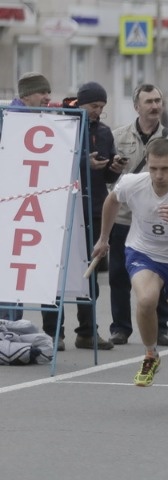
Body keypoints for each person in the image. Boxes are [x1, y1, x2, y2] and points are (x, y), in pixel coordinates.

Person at [93, 137, 168, 406]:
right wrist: (104, 238)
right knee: (146, 299)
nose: (158, 175)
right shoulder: (134, 183)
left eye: (165, 169)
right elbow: (112, 200)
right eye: (153, 168)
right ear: (146, 164)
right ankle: (150, 355)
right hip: (143, 253)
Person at [41, 81, 122, 351]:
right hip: (61, 209)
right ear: (80, 104)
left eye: (102, 107)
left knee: (89, 274)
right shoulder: (60, 126)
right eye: (94, 106)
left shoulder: (104, 132)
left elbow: (108, 175)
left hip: (94, 208)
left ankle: (87, 331)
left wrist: (113, 167)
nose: (98, 111)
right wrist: (83, 162)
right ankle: (53, 334)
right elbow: (51, 166)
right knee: (54, 274)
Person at [110, 83, 168, 347]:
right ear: (137, 106)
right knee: (118, 275)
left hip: (156, 219)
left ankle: (160, 328)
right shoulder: (118, 136)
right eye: (149, 102)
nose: (155, 106)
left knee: (161, 273)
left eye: (158, 101)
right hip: (123, 217)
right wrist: (112, 169)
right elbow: (106, 179)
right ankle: (120, 328)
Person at [2, 72, 53, 321]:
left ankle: (11, 326)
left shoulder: (30, 118)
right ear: (27, 95)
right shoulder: (16, 120)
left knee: (15, 270)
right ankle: (7, 328)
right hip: (12, 206)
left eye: (48, 92)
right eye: (42, 92)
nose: (47, 97)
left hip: (22, 207)